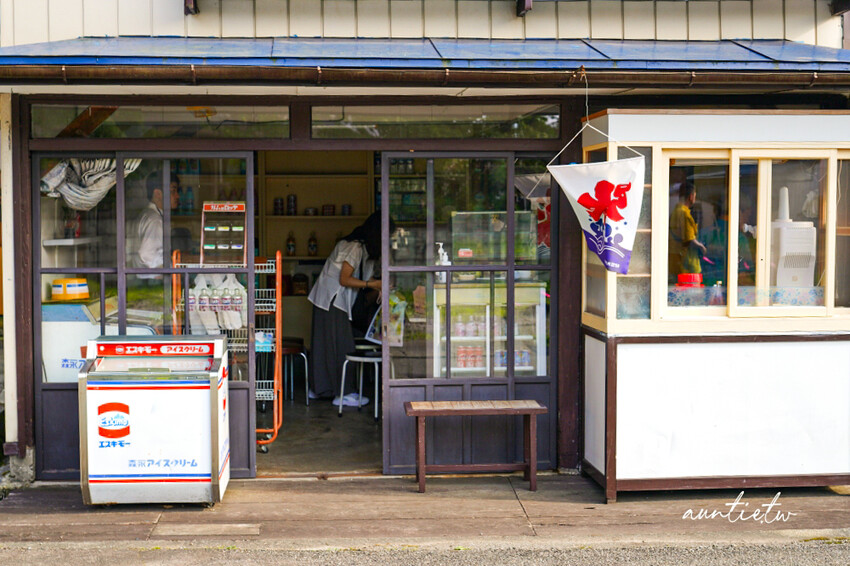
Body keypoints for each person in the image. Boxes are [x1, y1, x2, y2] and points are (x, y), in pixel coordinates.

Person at [308, 211, 391, 407]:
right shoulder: (354, 247)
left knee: (324, 345)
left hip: (330, 300)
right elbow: (344, 279)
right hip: (332, 299)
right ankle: (344, 393)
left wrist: (379, 287)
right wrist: (374, 285)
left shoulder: (369, 255)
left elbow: (365, 287)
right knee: (342, 346)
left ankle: (320, 389)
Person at [133, 173, 180, 270]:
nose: (177, 196)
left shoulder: (148, 215)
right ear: (158, 194)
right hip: (152, 280)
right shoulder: (155, 220)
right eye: (173, 191)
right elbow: (147, 255)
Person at [668, 182, 706, 280]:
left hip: (676, 260)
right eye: (695, 195)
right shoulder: (685, 214)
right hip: (688, 264)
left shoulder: (676, 211)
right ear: (691, 196)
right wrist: (701, 247)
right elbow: (690, 239)